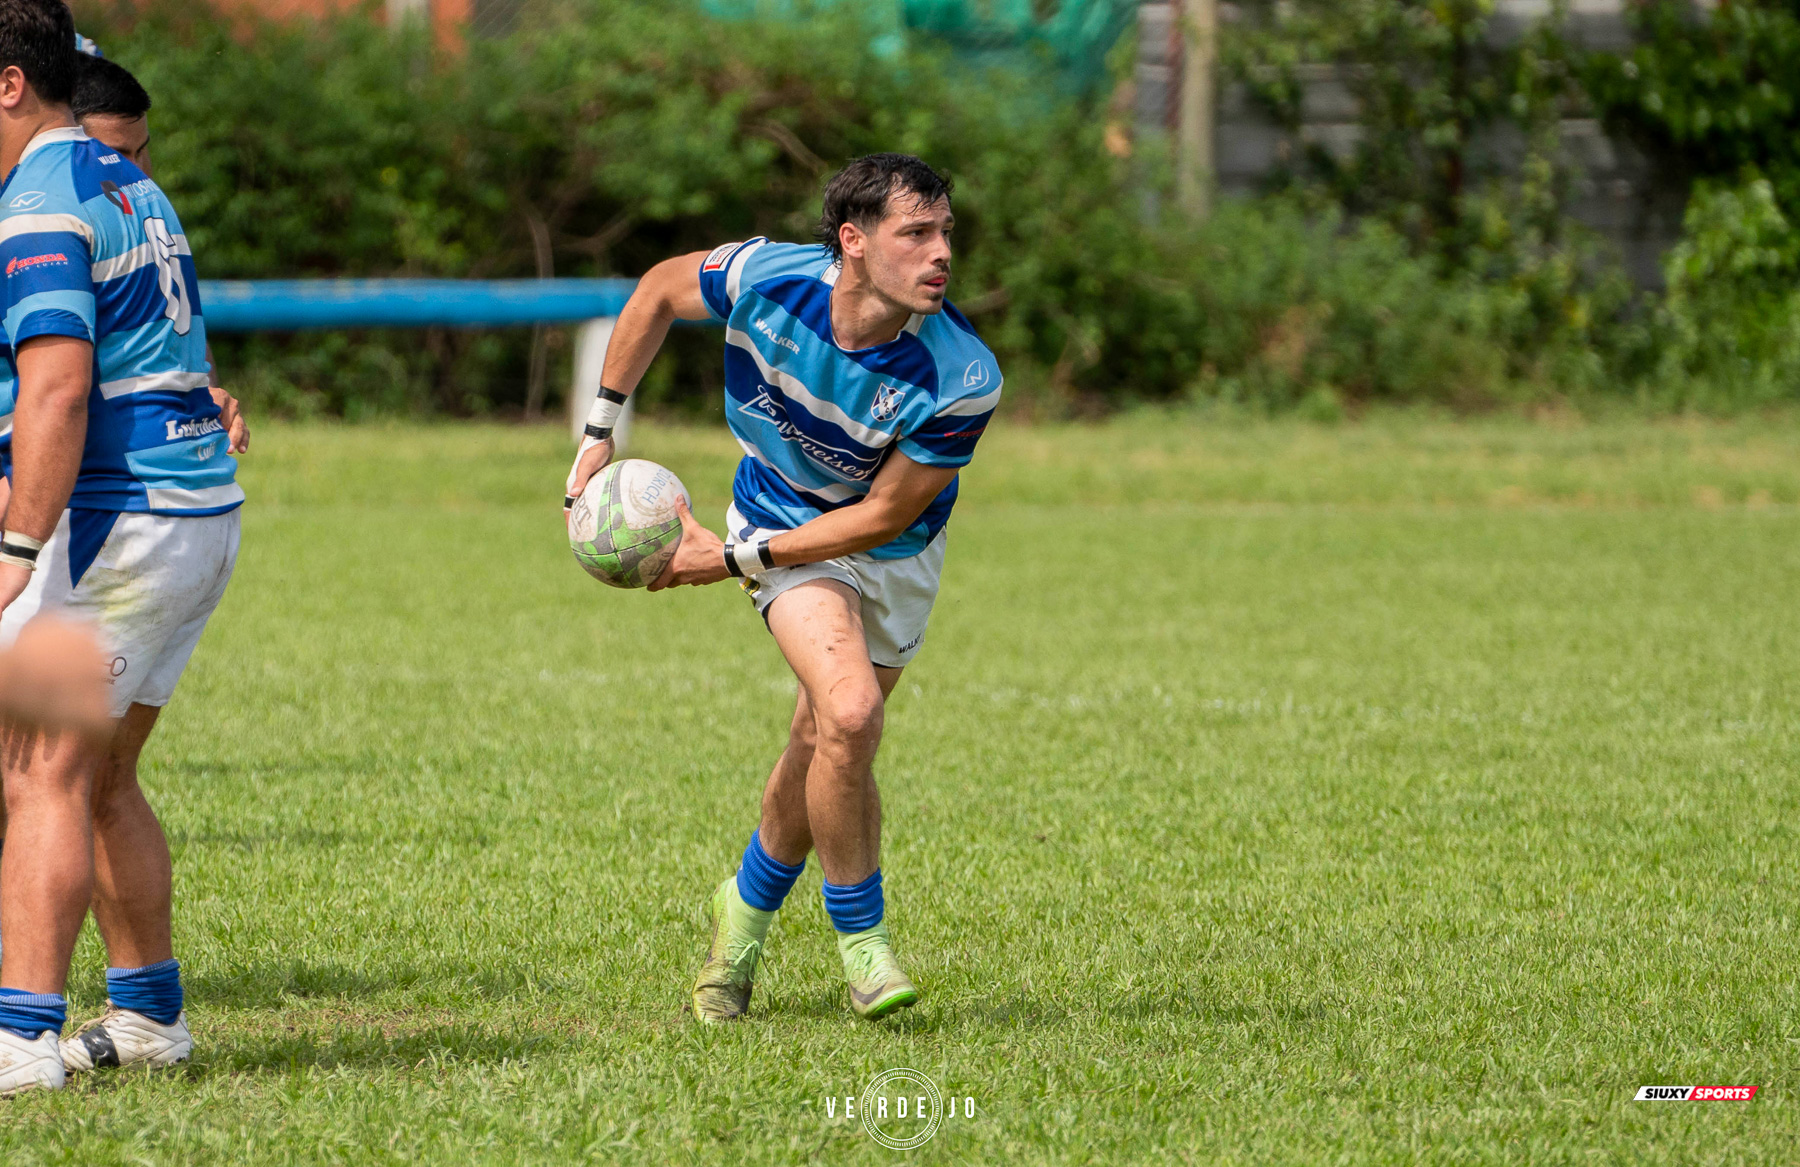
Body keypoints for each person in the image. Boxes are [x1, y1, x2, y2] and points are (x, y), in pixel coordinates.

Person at [564, 153, 1001, 1023]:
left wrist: (719, 562)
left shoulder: (962, 375)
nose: (940, 251)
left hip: (893, 552)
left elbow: (879, 518)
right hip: (778, 519)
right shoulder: (767, 277)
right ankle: (864, 946)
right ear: (853, 241)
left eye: (945, 231)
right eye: (916, 232)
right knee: (848, 713)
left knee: (822, 738)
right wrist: (597, 433)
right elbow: (655, 289)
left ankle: (743, 918)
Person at [0, 0, 241, 1095]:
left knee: (39, 771)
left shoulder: (42, 203)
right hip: (189, 514)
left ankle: (19, 1043)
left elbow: (57, 389)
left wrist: (16, 544)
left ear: (10, 86)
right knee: (98, 776)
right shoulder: (123, 180)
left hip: (111, 522)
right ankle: (148, 1020)